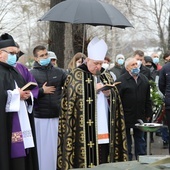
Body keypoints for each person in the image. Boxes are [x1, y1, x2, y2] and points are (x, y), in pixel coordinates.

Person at [57, 37, 128, 169]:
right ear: (87, 60)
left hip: (105, 125)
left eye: (101, 63)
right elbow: (70, 100)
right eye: (96, 63)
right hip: (82, 130)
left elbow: (116, 100)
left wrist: (109, 94)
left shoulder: (105, 75)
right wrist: (91, 90)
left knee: (105, 158)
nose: (98, 67)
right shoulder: (75, 75)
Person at [0, 33, 39, 170]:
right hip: (6, 127)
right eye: (11, 53)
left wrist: (28, 96)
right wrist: (17, 95)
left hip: (22, 122)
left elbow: (25, 90)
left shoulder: (16, 71)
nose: (14, 56)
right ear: (0, 53)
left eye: (16, 53)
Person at [30, 45, 67, 170]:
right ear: (36, 58)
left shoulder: (59, 72)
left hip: (57, 116)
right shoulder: (31, 74)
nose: (45, 57)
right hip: (40, 117)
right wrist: (41, 91)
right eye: (42, 56)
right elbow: (28, 94)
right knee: (42, 149)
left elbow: (70, 86)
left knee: (56, 148)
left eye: (46, 54)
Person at [116, 57, 152, 161]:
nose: (136, 66)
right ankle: (127, 160)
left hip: (140, 115)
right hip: (126, 115)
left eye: (136, 64)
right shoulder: (121, 81)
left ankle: (141, 160)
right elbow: (118, 101)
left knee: (140, 141)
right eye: (133, 65)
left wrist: (148, 113)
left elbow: (147, 98)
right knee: (127, 141)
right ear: (127, 68)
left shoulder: (144, 79)